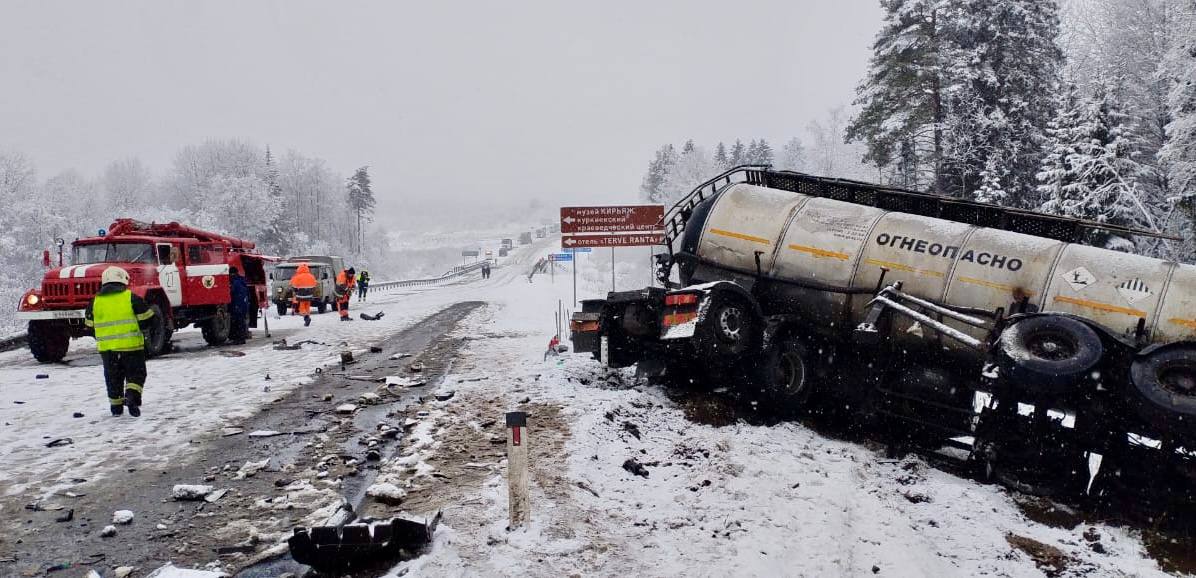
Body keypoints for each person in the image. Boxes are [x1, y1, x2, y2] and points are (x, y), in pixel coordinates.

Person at [84, 266, 154, 417]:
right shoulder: (131, 298)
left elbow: (89, 326)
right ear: (123, 280)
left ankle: (116, 407)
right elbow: (148, 318)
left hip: (107, 350)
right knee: (136, 374)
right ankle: (131, 397)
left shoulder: (94, 302)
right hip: (132, 347)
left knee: (113, 378)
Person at [228, 266, 251, 344]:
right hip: (242, 305)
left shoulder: (236, 282)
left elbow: (233, 292)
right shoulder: (241, 280)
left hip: (238, 305)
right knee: (240, 322)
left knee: (238, 322)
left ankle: (239, 339)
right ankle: (240, 337)